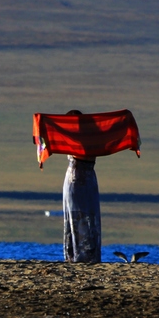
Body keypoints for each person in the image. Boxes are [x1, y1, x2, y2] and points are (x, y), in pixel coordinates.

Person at [62, 110, 101, 263]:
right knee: (75, 215)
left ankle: (85, 255)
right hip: (77, 178)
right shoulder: (83, 138)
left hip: (83, 177)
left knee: (88, 216)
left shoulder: (89, 137)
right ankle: (75, 255)